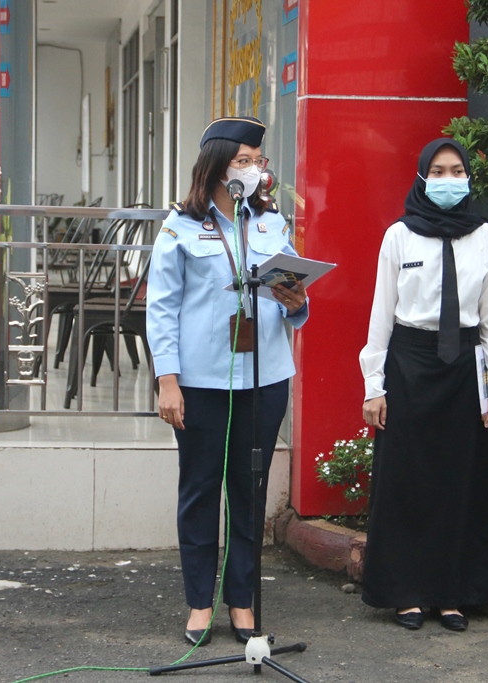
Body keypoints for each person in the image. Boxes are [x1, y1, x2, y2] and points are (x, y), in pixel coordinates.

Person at [146, 116, 309, 646]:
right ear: (217, 164)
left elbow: (292, 300)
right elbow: (161, 309)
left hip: (264, 379)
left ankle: (241, 600)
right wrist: (167, 381)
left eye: (258, 160)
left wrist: (298, 303)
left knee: (249, 490)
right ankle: (200, 602)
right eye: (243, 160)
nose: (255, 169)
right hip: (199, 381)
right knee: (199, 491)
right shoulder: (180, 227)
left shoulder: (270, 223)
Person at [359, 138, 488, 632]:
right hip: (409, 363)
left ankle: (452, 593)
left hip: (463, 368)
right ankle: (405, 591)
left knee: (458, 483)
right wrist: (373, 385)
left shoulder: (487, 238)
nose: (449, 179)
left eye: (457, 170)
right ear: (423, 178)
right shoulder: (399, 235)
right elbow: (381, 316)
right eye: (439, 171)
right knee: (406, 482)